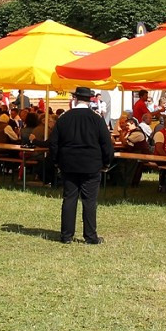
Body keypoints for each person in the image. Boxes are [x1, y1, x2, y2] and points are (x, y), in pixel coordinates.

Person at [48, 86, 113, 245]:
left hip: (68, 164)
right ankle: (90, 236)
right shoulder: (96, 118)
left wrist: (56, 161)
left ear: (75, 98)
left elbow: (53, 143)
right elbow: (107, 144)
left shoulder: (64, 118)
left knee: (69, 199)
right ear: (91, 99)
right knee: (89, 201)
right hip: (91, 164)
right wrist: (107, 162)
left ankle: (66, 236)